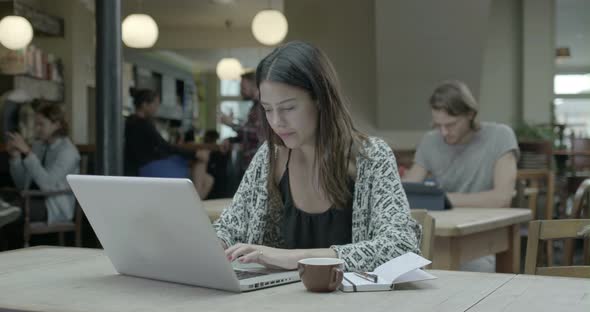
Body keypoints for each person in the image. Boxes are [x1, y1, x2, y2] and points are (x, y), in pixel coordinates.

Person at [213, 41, 421, 272]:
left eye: (289, 108)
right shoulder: (270, 156)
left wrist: (297, 258)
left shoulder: (372, 157)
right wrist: (212, 244)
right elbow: (230, 227)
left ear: (321, 99)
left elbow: (402, 247)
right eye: (267, 109)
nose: (276, 122)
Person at [403, 80, 519, 209]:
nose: (444, 132)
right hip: (446, 222)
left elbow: (501, 199)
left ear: (470, 114)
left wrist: (441, 198)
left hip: (488, 222)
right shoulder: (430, 140)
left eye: (451, 124)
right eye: (437, 125)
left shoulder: (500, 136)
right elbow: (404, 193)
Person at [124, 88, 213, 198]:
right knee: (202, 160)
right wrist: (194, 153)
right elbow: (165, 147)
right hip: (151, 166)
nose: (156, 108)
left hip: (149, 164)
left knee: (208, 180)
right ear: (144, 105)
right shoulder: (143, 124)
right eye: (155, 104)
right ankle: (194, 203)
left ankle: (194, 202)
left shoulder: (131, 121)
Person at [6, 103, 80, 224]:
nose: (36, 129)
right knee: (5, 199)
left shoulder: (68, 152)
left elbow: (47, 185)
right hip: (31, 198)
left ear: (56, 125)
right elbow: (21, 184)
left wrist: (28, 153)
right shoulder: (39, 146)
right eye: (36, 124)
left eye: (41, 124)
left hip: (53, 206)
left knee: (11, 208)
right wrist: (15, 157)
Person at [219, 71, 262, 173]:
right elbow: (248, 134)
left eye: (243, 87)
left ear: (254, 86)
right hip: (251, 164)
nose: (241, 91)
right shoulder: (254, 107)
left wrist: (231, 124)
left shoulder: (263, 106)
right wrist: (230, 140)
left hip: (258, 165)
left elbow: (258, 133)